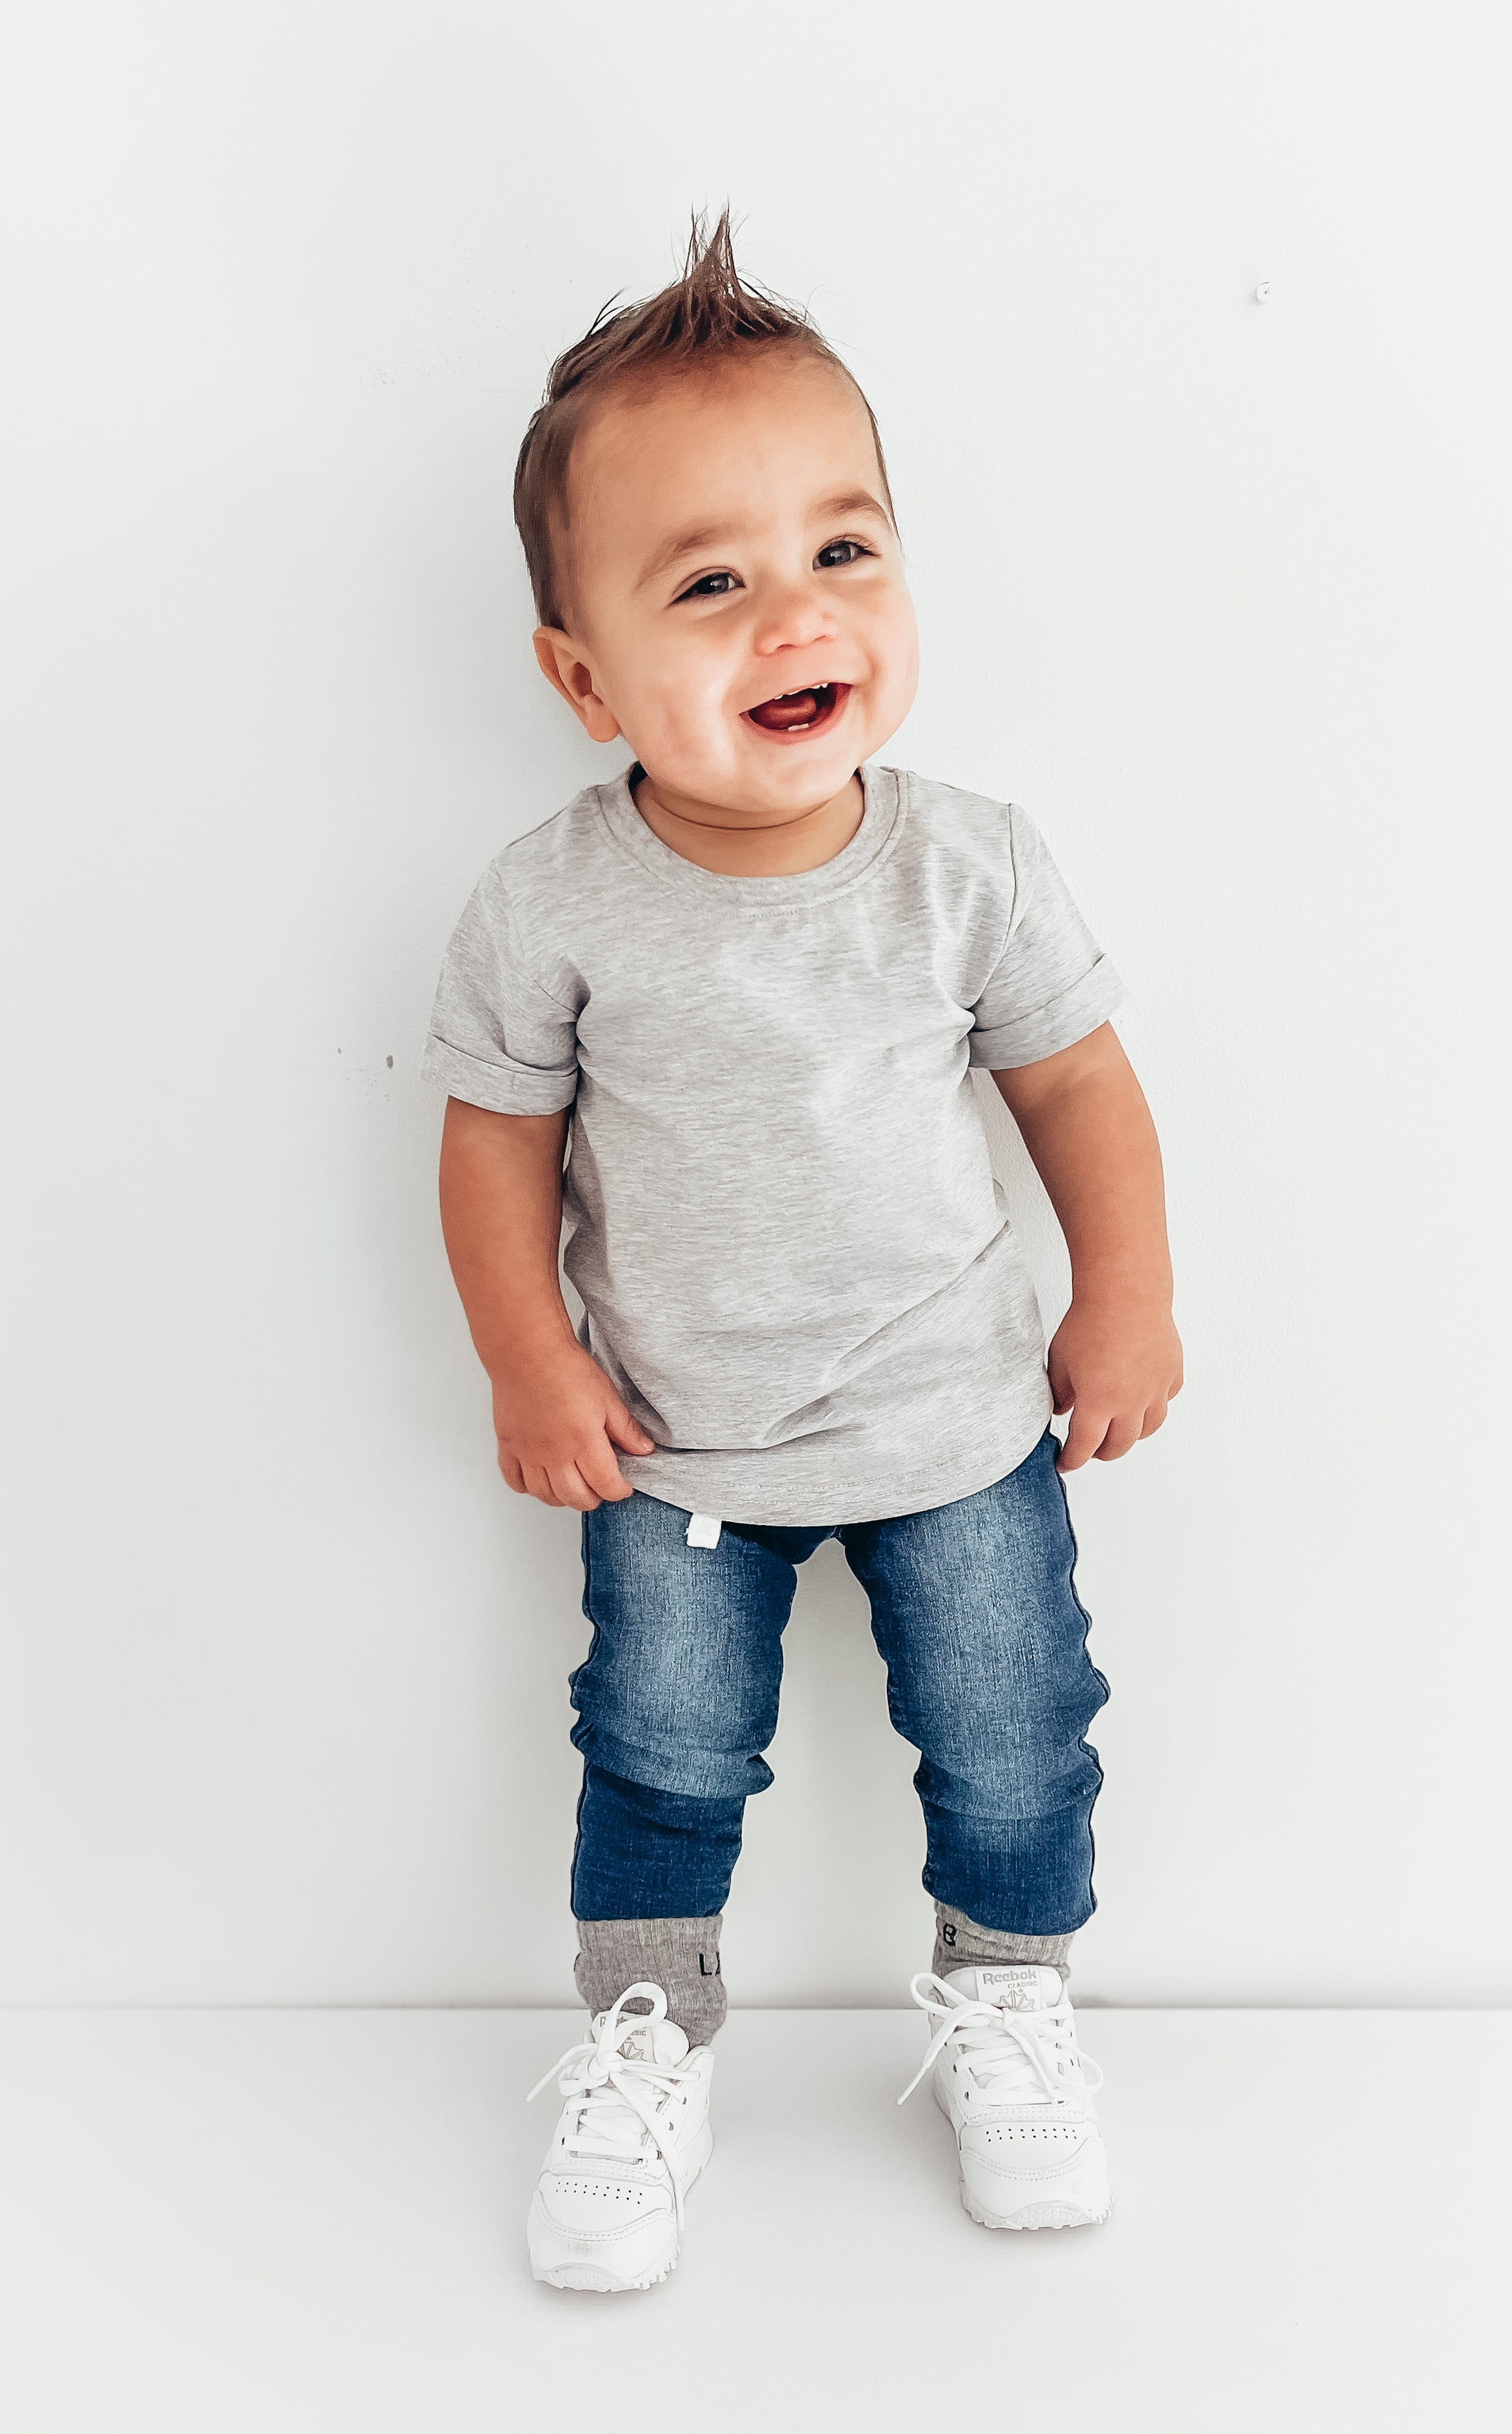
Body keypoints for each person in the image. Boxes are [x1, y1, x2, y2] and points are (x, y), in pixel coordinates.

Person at [423, 213, 1182, 2291]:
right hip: (676, 1450)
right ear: (583, 674)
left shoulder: (969, 866)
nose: (794, 616)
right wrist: (526, 1357)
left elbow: (1081, 1091)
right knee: (660, 1751)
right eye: (711, 582)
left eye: (843, 553)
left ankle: (1012, 1993)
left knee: (1021, 1728)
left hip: (964, 1424)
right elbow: (493, 1143)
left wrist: (1126, 1296)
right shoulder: (551, 902)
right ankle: (646, 2035)